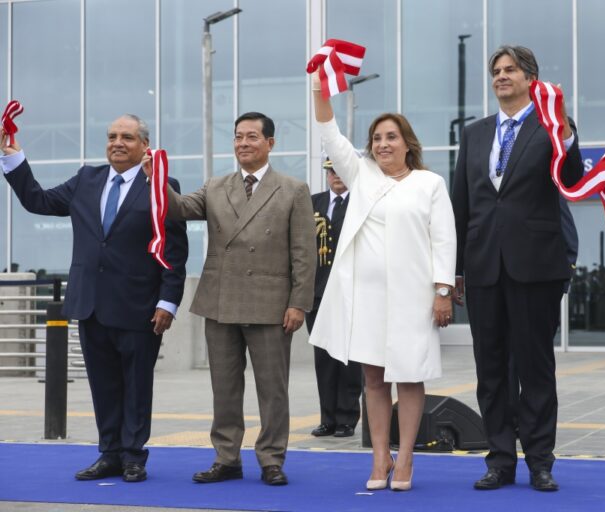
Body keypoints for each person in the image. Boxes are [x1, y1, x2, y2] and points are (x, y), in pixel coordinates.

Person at [0, 115, 188, 483]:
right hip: (91, 304)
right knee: (104, 387)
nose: (118, 142)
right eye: (112, 136)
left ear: (144, 145)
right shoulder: (87, 179)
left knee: (136, 386)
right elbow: (37, 200)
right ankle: (110, 454)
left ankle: (134, 456)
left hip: (140, 306)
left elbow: (174, 249)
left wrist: (168, 301)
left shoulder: (161, 184)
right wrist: (13, 157)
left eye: (127, 137)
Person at [143, 112, 316, 486]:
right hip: (220, 301)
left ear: (270, 143)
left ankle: (271, 459)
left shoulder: (293, 189)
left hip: (271, 304)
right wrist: (154, 177)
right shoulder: (216, 186)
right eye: (238, 137)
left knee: (273, 389)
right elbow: (178, 208)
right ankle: (226, 458)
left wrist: (298, 302)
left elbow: (304, 252)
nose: (242, 144)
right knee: (224, 387)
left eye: (252, 137)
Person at [309, 72, 457, 492]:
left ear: (407, 143)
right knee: (374, 379)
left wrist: (442, 291)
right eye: (376, 138)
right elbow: (329, 133)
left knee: (410, 377)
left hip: (414, 299)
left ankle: (406, 456)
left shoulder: (430, 184)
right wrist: (320, 88)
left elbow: (444, 240)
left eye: (391, 137)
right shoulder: (361, 175)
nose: (383, 145)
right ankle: (380, 455)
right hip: (367, 298)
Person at [452, 45, 584, 492]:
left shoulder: (552, 126)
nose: (501, 77)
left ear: (531, 77)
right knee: (491, 371)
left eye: (510, 70)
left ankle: (540, 462)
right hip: (485, 266)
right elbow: (461, 206)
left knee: (535, 369)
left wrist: (564, 133)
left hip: (536, 268)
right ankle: (500, 460)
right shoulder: (474, 134)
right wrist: (454, 272)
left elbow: (570, 178)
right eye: (496, 71)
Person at [307, 157, 362, 439]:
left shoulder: (361, 202)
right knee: (323, 359)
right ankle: (327, 417)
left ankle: (347, 418)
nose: (337, 176)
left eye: (341, 170)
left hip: (350, 291)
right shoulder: (312, 202)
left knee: (349, 360)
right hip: (316, 292)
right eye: (331, 171)